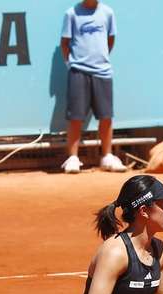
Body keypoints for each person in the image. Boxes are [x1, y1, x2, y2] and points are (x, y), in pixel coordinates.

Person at [60, 0, 126, 174]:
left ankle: (107, 157)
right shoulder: (71, 13)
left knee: (106, 116)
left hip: (102, 72)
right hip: (78, 71)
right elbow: (65, 43)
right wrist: (72, 64)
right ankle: (73, 158)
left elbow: (110, 40)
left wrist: (99, 60)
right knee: (76, 116)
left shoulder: (108, 13)